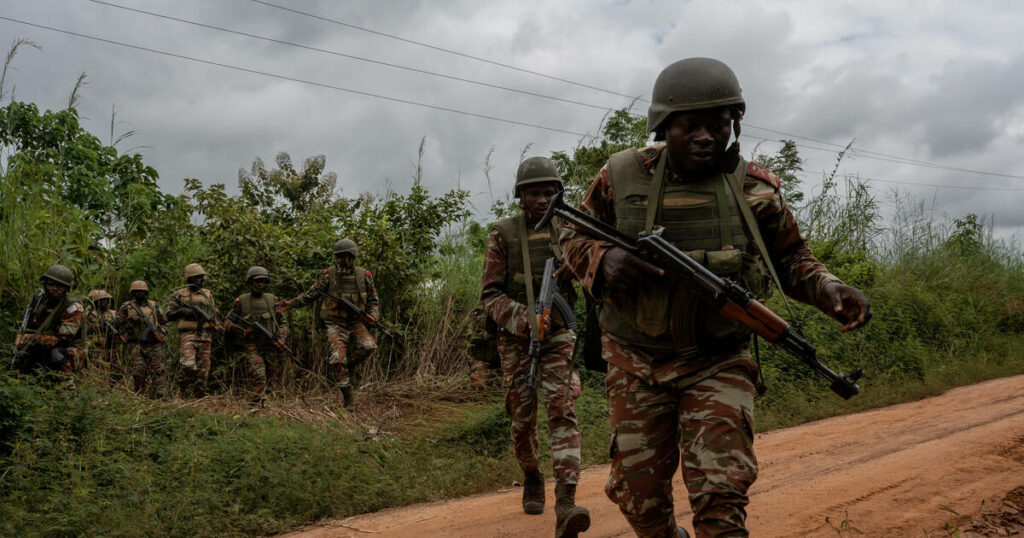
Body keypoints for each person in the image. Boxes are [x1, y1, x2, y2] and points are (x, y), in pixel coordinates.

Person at [558, 57, 872, 538]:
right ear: (664, 128)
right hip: (635, 360)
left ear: (735, 124)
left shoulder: (756, 189)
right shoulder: (621, 175)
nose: (706, 136)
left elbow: (791, 259)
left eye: (719, 124)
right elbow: (569, 232)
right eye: (690, 126)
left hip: (720, 358)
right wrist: (601, 261)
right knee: (639, 500)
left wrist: (828, 287)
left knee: (721, 496)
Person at [480, 156, 590, 538]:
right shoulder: (503, 233)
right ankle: (531, 474)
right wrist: (524, 317)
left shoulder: (571, 228)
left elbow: (599, 267)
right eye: (534, 193)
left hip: (560, 335)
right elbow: (489, 295)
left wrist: (579, 267)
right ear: (520, 196)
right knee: (521, 421)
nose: (542, 199)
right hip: (515, 339)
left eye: (548, 192)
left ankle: (566, 501)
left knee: (562, 407)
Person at [276, 238, 379, 409]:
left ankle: (350, 365)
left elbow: (373, 300)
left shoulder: (364, 276)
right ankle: (348, 397)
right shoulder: (328, 275)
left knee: (369, 346)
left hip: (356, 322)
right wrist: (292, 303)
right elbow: (311, 294)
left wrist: (373, 316)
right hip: (334, 323)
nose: (340, 260)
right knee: (338, 359)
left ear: (352, 256)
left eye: (344, 256)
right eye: (338, 256)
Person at [224, 266, 288, 405]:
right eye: (257, 281)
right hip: (251, 343)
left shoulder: (272, 299)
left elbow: (283, 322)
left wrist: (280, 337)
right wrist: (233, 327)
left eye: (264, 281)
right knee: (258, 372)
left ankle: (269, 402)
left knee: (271, 373)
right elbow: (227, 321)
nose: (260, 284)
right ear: (250, 282)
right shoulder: (241, 301)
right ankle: (256, 403)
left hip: (270, 342)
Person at [12, 264, 87, 380]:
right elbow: (25, 325)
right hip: (44, 345)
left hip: (70, 351)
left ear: (66, 288)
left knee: (57, 353)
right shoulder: (40, 302)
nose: (55, 288)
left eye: (60, 286)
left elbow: (64, 340)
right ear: (45, 285)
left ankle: (69, 392)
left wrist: (32, 338)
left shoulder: (73, 306)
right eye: (51, 284)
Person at [167, 263, 221, 397]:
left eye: (200, 277)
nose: (198, 280)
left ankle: (199, 396)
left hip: (205, 335)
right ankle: (183, 389)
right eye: (195, 278)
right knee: (188, 364)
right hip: (188, 335)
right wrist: (182, 312)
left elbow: (214, 313)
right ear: (188, 279)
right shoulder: (179, 294)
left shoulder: (208, 294)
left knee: (204, 371)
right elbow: (168, 315)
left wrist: (217, 324)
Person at [117, 280, 169, 397]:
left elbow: (164, 323)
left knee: (159, 370)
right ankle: (140, 395)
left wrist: (161, 331)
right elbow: (118, 324)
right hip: (135, 344)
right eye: (136, 292)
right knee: (138, 371)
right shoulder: (127, 307)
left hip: (154, 343)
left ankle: (160, 395)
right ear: (132, 293)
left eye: (142, 292)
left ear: (146, 293)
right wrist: (130, 321)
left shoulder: (154, 306)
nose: (139, 294)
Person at [85, 288, 122, 372]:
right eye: (102, 301)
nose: (105, 303)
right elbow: (84, 330)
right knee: (99, 370)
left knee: (116, 370)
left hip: (113, 347)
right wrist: (97, 327)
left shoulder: (113, 313)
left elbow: (121, 328)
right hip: (97, 347)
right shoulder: (90, 314)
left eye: (106, 300)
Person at [467, 306, 500, 388]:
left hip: (503, 357)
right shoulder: (478, 314)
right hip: (482, 358)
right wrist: (485, 336)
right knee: (477, 387)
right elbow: (470, 336)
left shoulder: (507, 310)